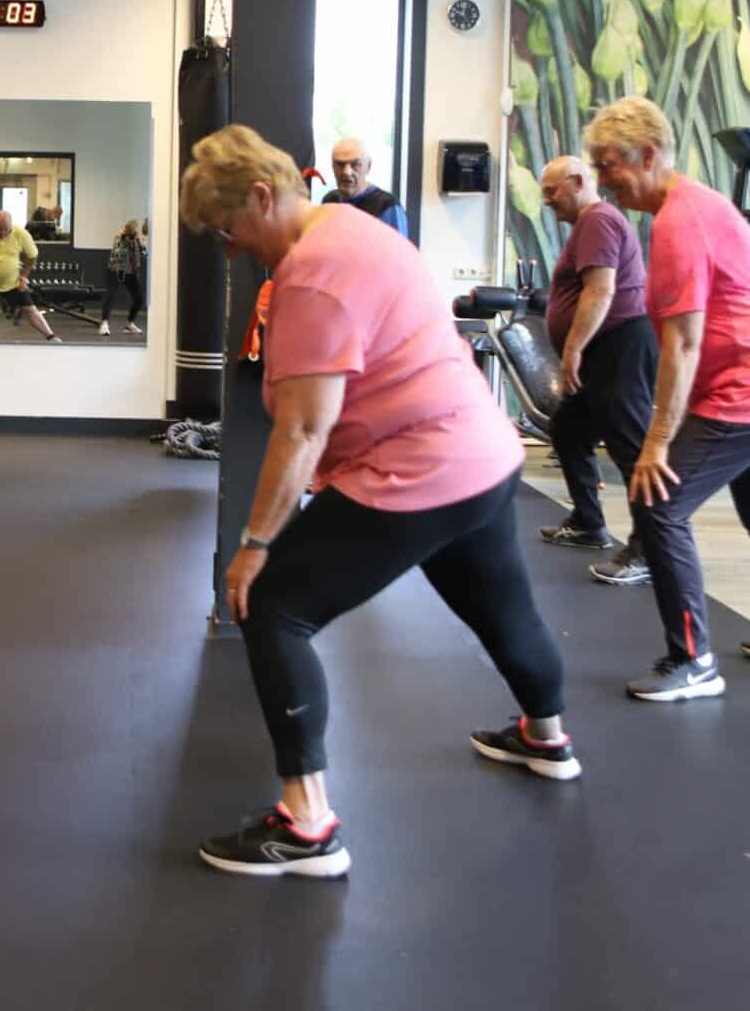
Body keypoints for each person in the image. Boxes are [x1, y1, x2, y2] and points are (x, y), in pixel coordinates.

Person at [181, 125, 580, 879]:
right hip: (482, 457)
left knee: (272, 605)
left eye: (227, 231)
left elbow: (301, 428)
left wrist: (255, 545)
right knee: (503, 605)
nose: (228, 249)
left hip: (416, 469)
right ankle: (545, 736)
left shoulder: (311, 272)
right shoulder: (356, 230)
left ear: (263, 197)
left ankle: (306, 828)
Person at [582, 97, 750, 703]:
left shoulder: (679, 219)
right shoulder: (690, 205)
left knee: (659, 502)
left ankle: (693, 659)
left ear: (648, 154)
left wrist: (656, 444)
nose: (603, 181)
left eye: (609, 165)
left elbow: (682, 345)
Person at [537, 155, 657, 588]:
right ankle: (589, 524)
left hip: (618, 344)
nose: (547, 201)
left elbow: (601, 289)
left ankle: (649, 549)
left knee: (631, 449)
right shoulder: (591, 224)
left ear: (578, 182)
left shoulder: (597, 220)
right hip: (605, 346)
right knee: (569, 430)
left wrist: (573, 349)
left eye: (552, 191)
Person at [0, 209, 61, 343]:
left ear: (11, 226)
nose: (3, 234)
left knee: (30, 309)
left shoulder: (21, 233)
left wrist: (24, 277)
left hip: (12, 282)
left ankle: (51, 336)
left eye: (6, 230)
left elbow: (32, 256)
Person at [320, 136, 408, 236]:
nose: (347, 172)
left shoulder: (387, 206)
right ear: (332, 167)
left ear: (368, 166)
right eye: (340, 164)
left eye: (356, 164)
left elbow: (398, 250)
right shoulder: (329, 201)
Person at [97, 219, 146, 336]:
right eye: (133, 233)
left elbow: (143, 253)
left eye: (136, 232)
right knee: (110, 296)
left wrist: (138, 243)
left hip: (131, 272)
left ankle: (129, 324)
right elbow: (118, 254)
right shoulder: (119, 237)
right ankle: (104, 324)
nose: (135, 234)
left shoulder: (136, 239)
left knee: (139, 299)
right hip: (115, 271)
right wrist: (127, 243)